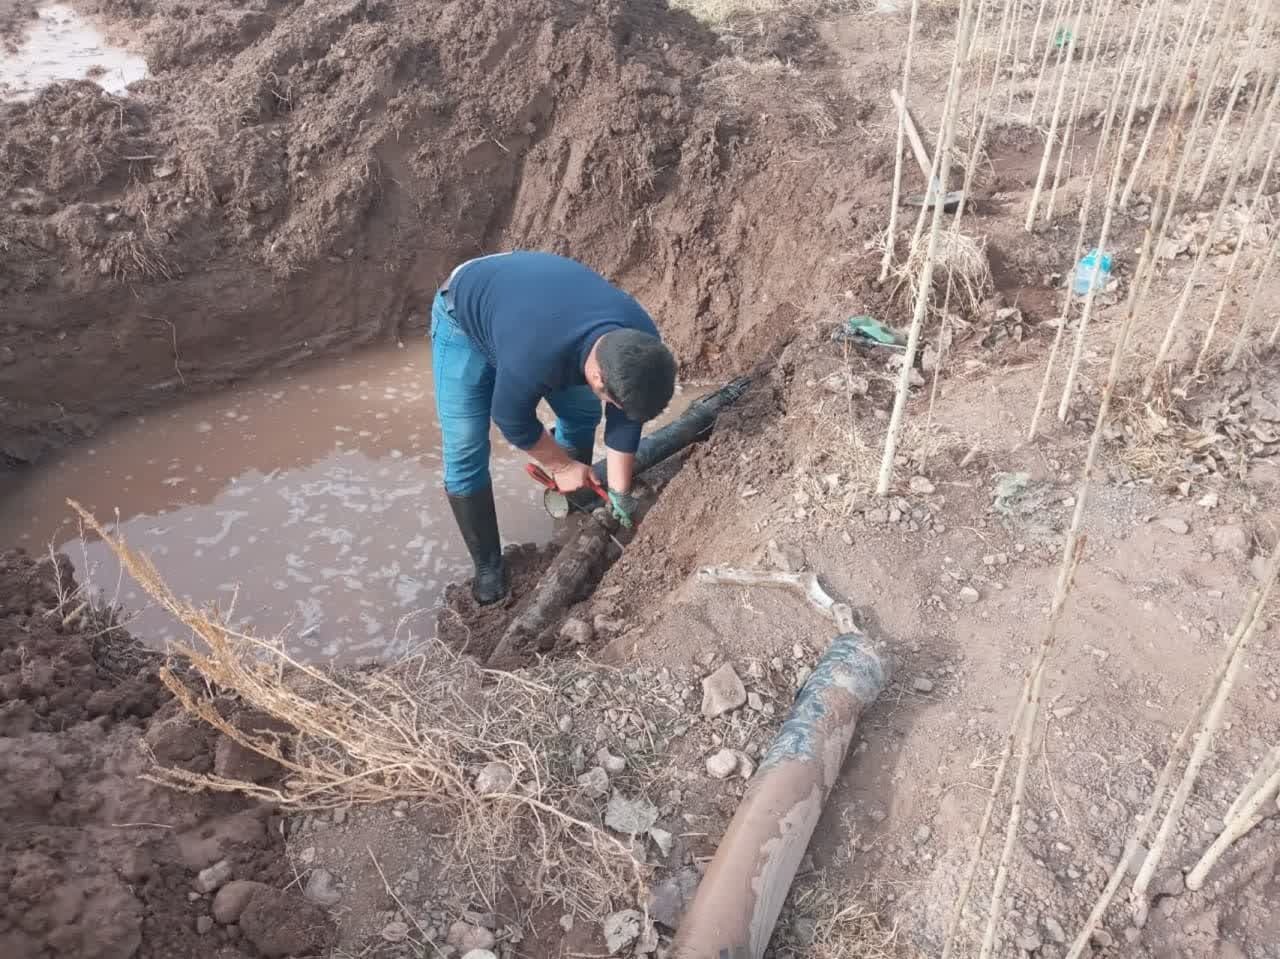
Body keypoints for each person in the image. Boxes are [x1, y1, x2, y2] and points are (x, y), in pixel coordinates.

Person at [431, 251, 677, 606]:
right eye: (613, 398)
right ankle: (487, 565)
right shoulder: (535, 354)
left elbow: (627, 414)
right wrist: (560, 465)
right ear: (596, 376)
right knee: (466, 446)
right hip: (463, 313)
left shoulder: (641, 344)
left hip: (531, 299)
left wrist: (620, 493)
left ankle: (571, 501)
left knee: (580, 414)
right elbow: (510, 417)